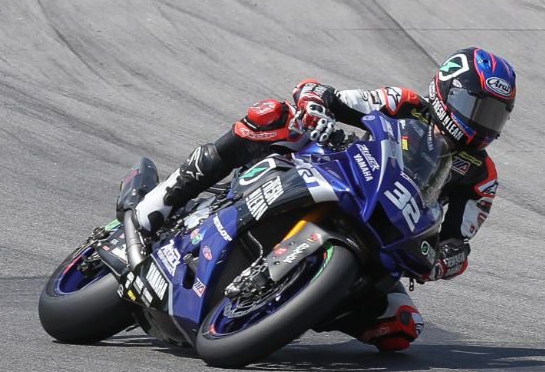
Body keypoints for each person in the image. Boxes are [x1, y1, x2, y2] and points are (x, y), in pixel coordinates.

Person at [130, 49, 516, 353]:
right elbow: (328, 96)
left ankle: (289, 306)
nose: (485, 123)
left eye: (496, 115)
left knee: (399, 327)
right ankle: (164, 198)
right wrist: (315, 106)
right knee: (271, 117)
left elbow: (458, 240)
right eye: (478, 108)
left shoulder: (482, 176)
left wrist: (447, 259)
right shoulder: (403, 103)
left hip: (388, 234)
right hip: (342, 173)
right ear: (448, 91)